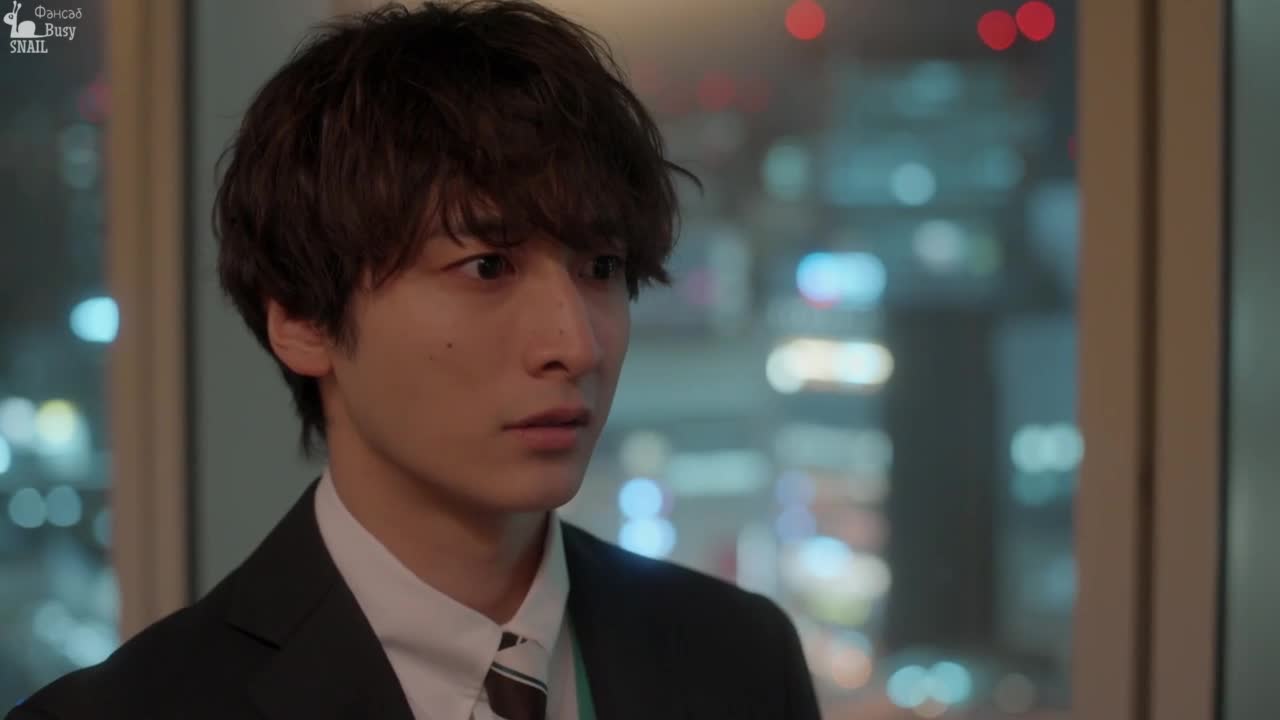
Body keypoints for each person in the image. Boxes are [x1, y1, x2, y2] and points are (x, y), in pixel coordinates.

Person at [8, 2, 821, 718]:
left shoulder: (740, 661)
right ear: (303, 318)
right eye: (487, 267)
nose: (574, 345)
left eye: (601, 267)